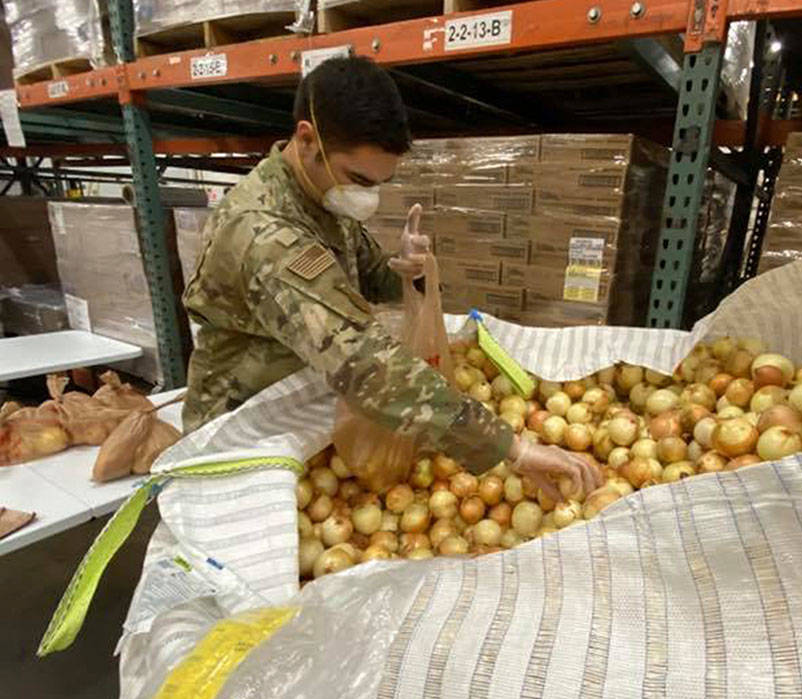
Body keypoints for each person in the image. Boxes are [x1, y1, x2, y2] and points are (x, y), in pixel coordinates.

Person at [181, 56, 598, 497]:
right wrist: (508, 446)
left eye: (377, 185)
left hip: (302, 407)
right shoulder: (263, 234)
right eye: (357, 179)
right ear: (307, 139)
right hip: (240, 433)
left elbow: (359, 279)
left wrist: (404, 270)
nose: (366, 197)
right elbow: (364, 365)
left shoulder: (318, 199)